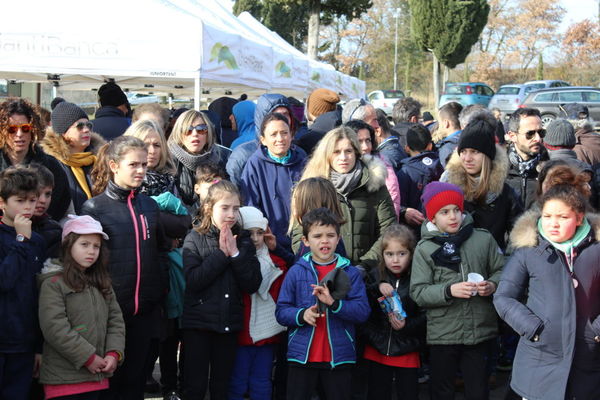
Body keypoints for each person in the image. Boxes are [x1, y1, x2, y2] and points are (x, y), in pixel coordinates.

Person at [81, 136, 169, 400]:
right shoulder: (94, 208)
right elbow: (84, 264)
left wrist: (157, 293)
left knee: (135, 384)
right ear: (113, 165)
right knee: (109, 384)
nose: (141, 170)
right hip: (109, 315)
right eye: (134, 164)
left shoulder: (150, 207)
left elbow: (160, 251)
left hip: (144, 312)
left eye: (144, 165)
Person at [494, 182, 600, 399]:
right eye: (548, 215)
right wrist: (533, 328)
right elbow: (504, 297)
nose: (553, 223)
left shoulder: (596, 251)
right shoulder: (529, 250)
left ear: (579, 218)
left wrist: (596, 330)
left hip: (588, 357)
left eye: (563, 217)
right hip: (539, 357)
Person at [409, 182, 504, 400]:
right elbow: (419, 292)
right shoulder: (425, 248)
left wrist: (492, 285)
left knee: (478, 390)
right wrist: (448, 290)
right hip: (443, 335)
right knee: (442, 390)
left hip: (479, 331)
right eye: (444, 212)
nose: (453, 216)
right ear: (432, 218)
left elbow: (501, 271)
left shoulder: (482, 239)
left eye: (457, 210)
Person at [276, 207, 370, 400]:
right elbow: (281, 311)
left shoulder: (350, 272)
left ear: (338, 238)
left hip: (339, 357)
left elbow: (362, 312)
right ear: (306, 241)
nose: (325, 240)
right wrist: (302, 315)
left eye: (330, 235)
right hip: (301, 357)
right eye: (317, 236)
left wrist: (334, 304)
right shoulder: (296, 271)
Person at [181, 180, 261, 400]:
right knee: (194, 386)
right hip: (198, 326)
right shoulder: (194, 238)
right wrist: (221, 254)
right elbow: (193, 280)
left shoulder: (243, 241)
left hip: (228, 324)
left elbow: (252, 283)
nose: (231, 214)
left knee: (221, 386)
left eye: (235, 208)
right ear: (209, 208)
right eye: (225, 208)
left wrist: (235, 255)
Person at [37, 215, 126, 400]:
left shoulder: (102, 283)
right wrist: (88, 357)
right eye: (84, 244)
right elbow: (55, 328)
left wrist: (113, 353)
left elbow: (116, 321)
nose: (91, 251)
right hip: (64, 381)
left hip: (98, 378)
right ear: (68, 246)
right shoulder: (54, 283)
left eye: (96, 246)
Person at [300, 126, 397, 271]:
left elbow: (388, 229)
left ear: (357, 153)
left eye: (348, 151)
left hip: (368, 274)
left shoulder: (375, 184)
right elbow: (299, 233)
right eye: (337, 152)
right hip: (322, 274)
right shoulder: (313, 187)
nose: (343, 157)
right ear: (327, 154)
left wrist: (364, 266)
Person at [228, 206, 288, 400]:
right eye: (249, 233)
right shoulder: (233, 258)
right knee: (238, 379)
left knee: (261, 379)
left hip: (268, 330)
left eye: (259, 232)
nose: (255, 238)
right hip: (240, 330)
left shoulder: (277, 261)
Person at [362, 224, 425, 400]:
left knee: (408, 394)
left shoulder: (418, 278)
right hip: (377, 350)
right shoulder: (375, 275)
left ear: (411, 254)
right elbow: (363, 311)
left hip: (408, 349)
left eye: (401, 254)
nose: (395, 260)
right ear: (382, 255)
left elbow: (426, 315)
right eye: (389, 254)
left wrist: (406, 326)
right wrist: (377, 287)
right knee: (377, 393)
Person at [442, 117, 523, 250]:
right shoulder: (447, 187)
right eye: (463, 151)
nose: (467, 158)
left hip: (493, 266)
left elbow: (519, 238)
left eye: (475, 152)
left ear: (487, 156)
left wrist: (504, 264)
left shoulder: (506, 193)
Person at [0, 167, 45, 400]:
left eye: (32, 200)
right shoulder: (20, 238)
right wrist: (20, 240)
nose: (27, 207)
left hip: (24, 343)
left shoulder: (37, 240)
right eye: (20, 201)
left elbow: (39, 295)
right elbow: (4, 281)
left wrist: (39, 347)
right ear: (2, 203)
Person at [240, 113, 307, 251]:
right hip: (270, 242)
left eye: (284, 133)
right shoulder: (254, 165)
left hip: (303, 239)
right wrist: (263, 234)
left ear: (291, 135)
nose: (280, 139)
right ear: (263, 140)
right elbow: (251, 206)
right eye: (274, 134)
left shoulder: (303, 160)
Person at [0, 98, 71, 220]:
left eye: (25, 128)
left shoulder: (52, 166)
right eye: (12, 129)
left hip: (43, 233)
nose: (19, 134)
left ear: (33, 129)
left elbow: (62, 206)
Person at [42, 101, 105, 214]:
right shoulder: (52, 163)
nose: (86, 130)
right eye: (79, 126)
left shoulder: (100, 159)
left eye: (89, 125)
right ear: (63, 132)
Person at [227, 94, 294, 187]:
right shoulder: (242, 155)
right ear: (263, 117)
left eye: (286, 114)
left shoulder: (298, 154)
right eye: (276, 114)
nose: (282, 119)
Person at [168, 110, 231, 208]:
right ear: (179, 133)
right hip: (181, 220)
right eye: (187, 130)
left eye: (201, 129)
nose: (194, 134)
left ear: (208, 132)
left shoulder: (224, 157)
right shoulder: (168, 160)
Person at [345, 119, 401, 217]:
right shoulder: (339, 167)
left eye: (368, 140)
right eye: (359, 141)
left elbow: (392, 206)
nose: (365, 147)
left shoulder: (382, 168)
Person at [289, 177, 348, 260]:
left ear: (307, 205)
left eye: (296, 200)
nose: (293, 205)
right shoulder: (331, 236)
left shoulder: (317, 243)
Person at [397, 124, 443, 230]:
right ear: (430, 146)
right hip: (440, 227)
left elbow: (399, 203)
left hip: (415, 231)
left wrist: (403, 211)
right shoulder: (442, 166)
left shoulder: (404, 173)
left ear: (407, 148)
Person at [506, 108, 547, 209]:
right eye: (530, 134)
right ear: (512, 136)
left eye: (541, 133)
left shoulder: (551, 171)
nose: (537, 138)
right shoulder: (497, 171)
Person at [28, 164, 62, 259]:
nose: (43, 200)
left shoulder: (54, 230)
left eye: (48, 194)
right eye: (37, 193)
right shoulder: (5, 226)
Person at [434, 102, 462, 167]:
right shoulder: (471, 139)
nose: (438, 126)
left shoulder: (447, 148)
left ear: (446, 123)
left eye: (439, 122)